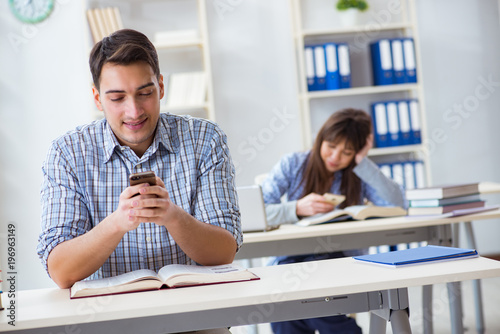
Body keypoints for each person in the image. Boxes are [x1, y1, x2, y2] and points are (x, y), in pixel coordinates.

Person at [37, 29, 240, 334]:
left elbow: (225, 251)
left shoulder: (205, 139)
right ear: (97, 98)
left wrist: (172, 216)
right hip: (109, 325)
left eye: (145, 93)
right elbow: (61, 271)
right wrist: (118, 222)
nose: (133, 111)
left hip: (196, 319)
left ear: (160, 86)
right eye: (117, 97)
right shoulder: (67, 153)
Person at [260, 108, 406, 334]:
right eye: (331, 146)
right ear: (320, 140)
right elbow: (257, 213)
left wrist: (362, 161)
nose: (336, 157)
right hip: (292, 258)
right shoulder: (293, 164)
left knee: (294, 305)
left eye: (347, 152)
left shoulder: (358, 172)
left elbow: (397, 204)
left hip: (339, 259)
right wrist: (296, 208)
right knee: (293, 294)